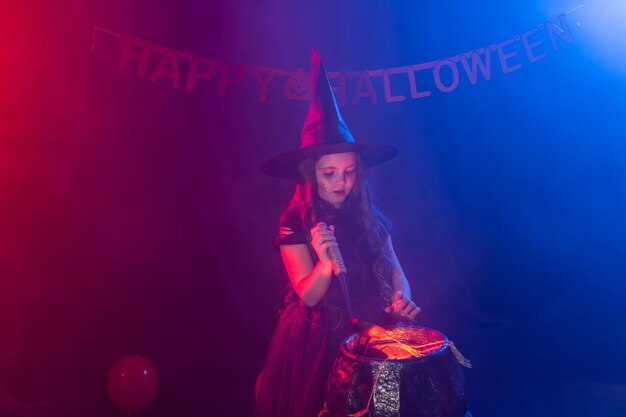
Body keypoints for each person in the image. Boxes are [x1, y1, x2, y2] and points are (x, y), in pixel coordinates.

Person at [254, 49, 420, 417]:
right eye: (330, 174)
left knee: (384, 409)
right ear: (311, 173)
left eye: (348, 172)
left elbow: (398, 275)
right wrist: (325, 265)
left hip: (376, 330)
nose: (341, 182)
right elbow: (308, 295)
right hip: (318, 342)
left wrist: (401, 300)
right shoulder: (294, 219)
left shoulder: (369, 216)